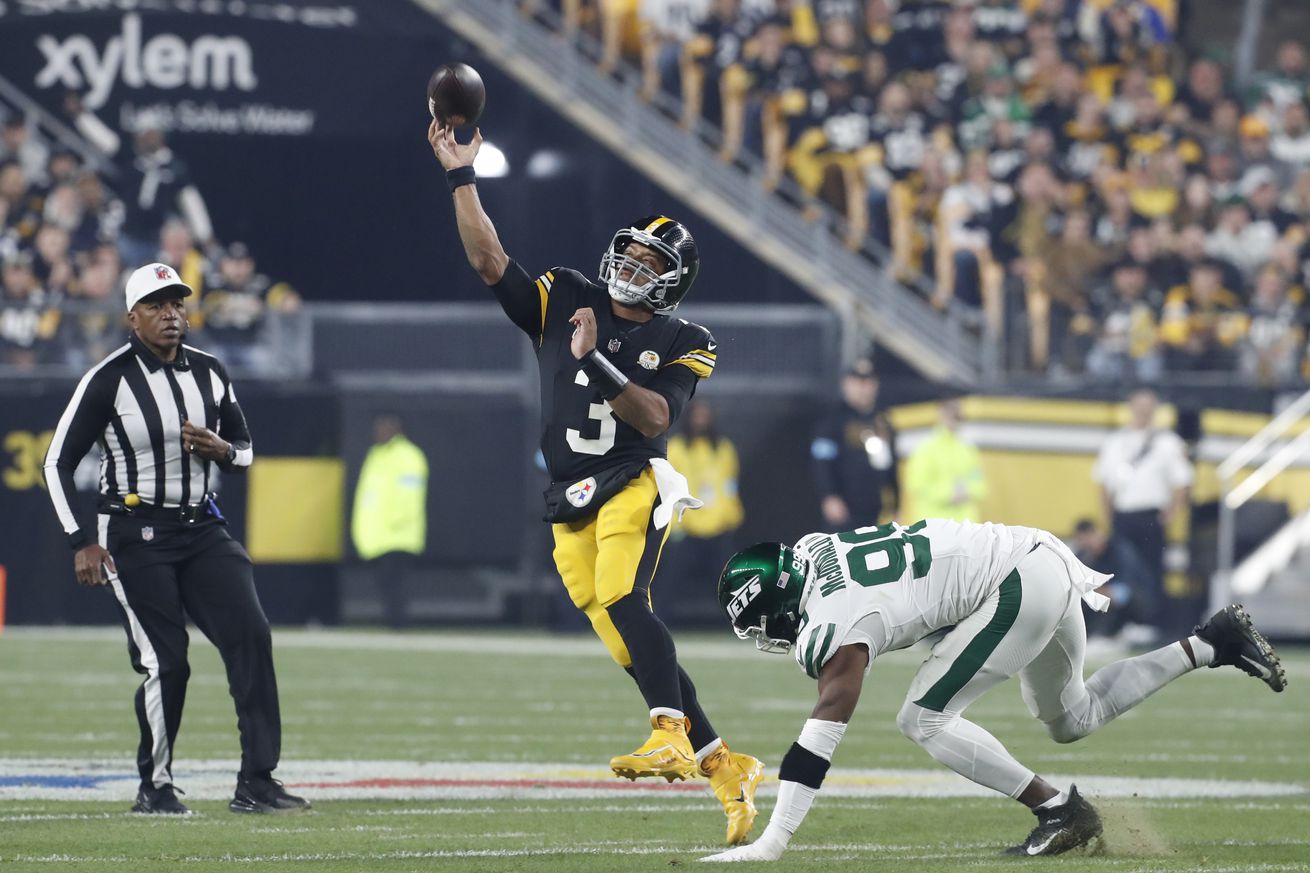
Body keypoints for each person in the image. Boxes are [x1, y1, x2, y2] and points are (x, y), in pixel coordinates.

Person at [428, 121, 762, 845]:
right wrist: (462, 176)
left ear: (675, 279)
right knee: (624, 639)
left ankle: (669, 730)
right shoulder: (567, 293)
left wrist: (596, 361)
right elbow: (489, 259)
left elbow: (652, 417)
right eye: (632, 252)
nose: (635, 266)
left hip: (633, 479)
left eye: (652, 260)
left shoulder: (685, 339)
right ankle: (725, 766)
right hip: (567, 497)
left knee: (623, 595)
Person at [704, 519, 1286, 862]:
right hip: (1033, 551)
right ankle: (1212, 643)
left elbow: (829, 719)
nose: (763, 636)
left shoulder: (835, 620)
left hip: (1012, 582)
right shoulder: (809, 550)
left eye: (758, 622)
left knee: (921, 718)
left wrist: (774, 841)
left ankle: (1059, 811)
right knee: (1071, 717)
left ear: (778, 607)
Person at [42, 262, 309, 816]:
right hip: (135, 533)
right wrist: (80, 540)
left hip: (201, 526)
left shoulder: (210, 372)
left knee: (251, 636)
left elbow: (246, 449)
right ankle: (155, 787)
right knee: (168, 661)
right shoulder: (108, 378)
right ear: (131, 317)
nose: (171, 314)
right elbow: (56, 463)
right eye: (157, 305)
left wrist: (222, 452)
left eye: (178, 304)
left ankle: (257, 781)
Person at [1092, 388, 1193, 636]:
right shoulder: (1115, 442)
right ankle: (1121, 623)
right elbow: (1103, 482)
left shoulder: (1168, 443)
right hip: (1123, 515)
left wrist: (1171, 513)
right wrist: (1109, 516)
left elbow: (1183, 481)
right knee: (1121, 571)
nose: (1142, 412)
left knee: (1150, 571)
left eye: (1147, 407)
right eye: (1138, 406)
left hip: (1150, 516)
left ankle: (1150, 624)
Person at [663, 399, 745, 623]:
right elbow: (670, 488)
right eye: (697, 415)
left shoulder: (723, 448)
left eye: (705, 416)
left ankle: (735, 623)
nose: (701, 420)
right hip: (686, 527)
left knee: (728, 581)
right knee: (669, 581)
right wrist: (676, 524)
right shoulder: (677, 448)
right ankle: (658, 621)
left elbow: (729, 485)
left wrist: (731, 516)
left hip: (718, 526)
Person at [351, 414, 429, 628]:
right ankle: (393, 624)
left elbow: (409, 494)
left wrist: (397, 522)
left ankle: (399, 626)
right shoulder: (377, 454)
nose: (378, 433)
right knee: (386, 584)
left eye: (383, 428)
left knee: (396, 583)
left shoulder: (407, 456)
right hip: (380, 535)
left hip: (398, 534)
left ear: (396, 428)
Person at [810, 359, 899, 531]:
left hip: (876, 508)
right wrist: (829, 496)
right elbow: (821, 462)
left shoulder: (882, 420)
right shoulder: (832, 419)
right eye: (858, 382)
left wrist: (896, 504)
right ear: (846, 384)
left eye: (868, 382)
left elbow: (891, 464)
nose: (863, 387)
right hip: (845, 508)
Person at [904, 398, 985, 521]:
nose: (953, 417)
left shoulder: (968, 450)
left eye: (956, 413)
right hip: (935, 526)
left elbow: (979, 486)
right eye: (949, 411)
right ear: (940, 413)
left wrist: (966, 492)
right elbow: (917, 485)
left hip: (965, 527)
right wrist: (950, 494)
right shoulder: (925, 450)